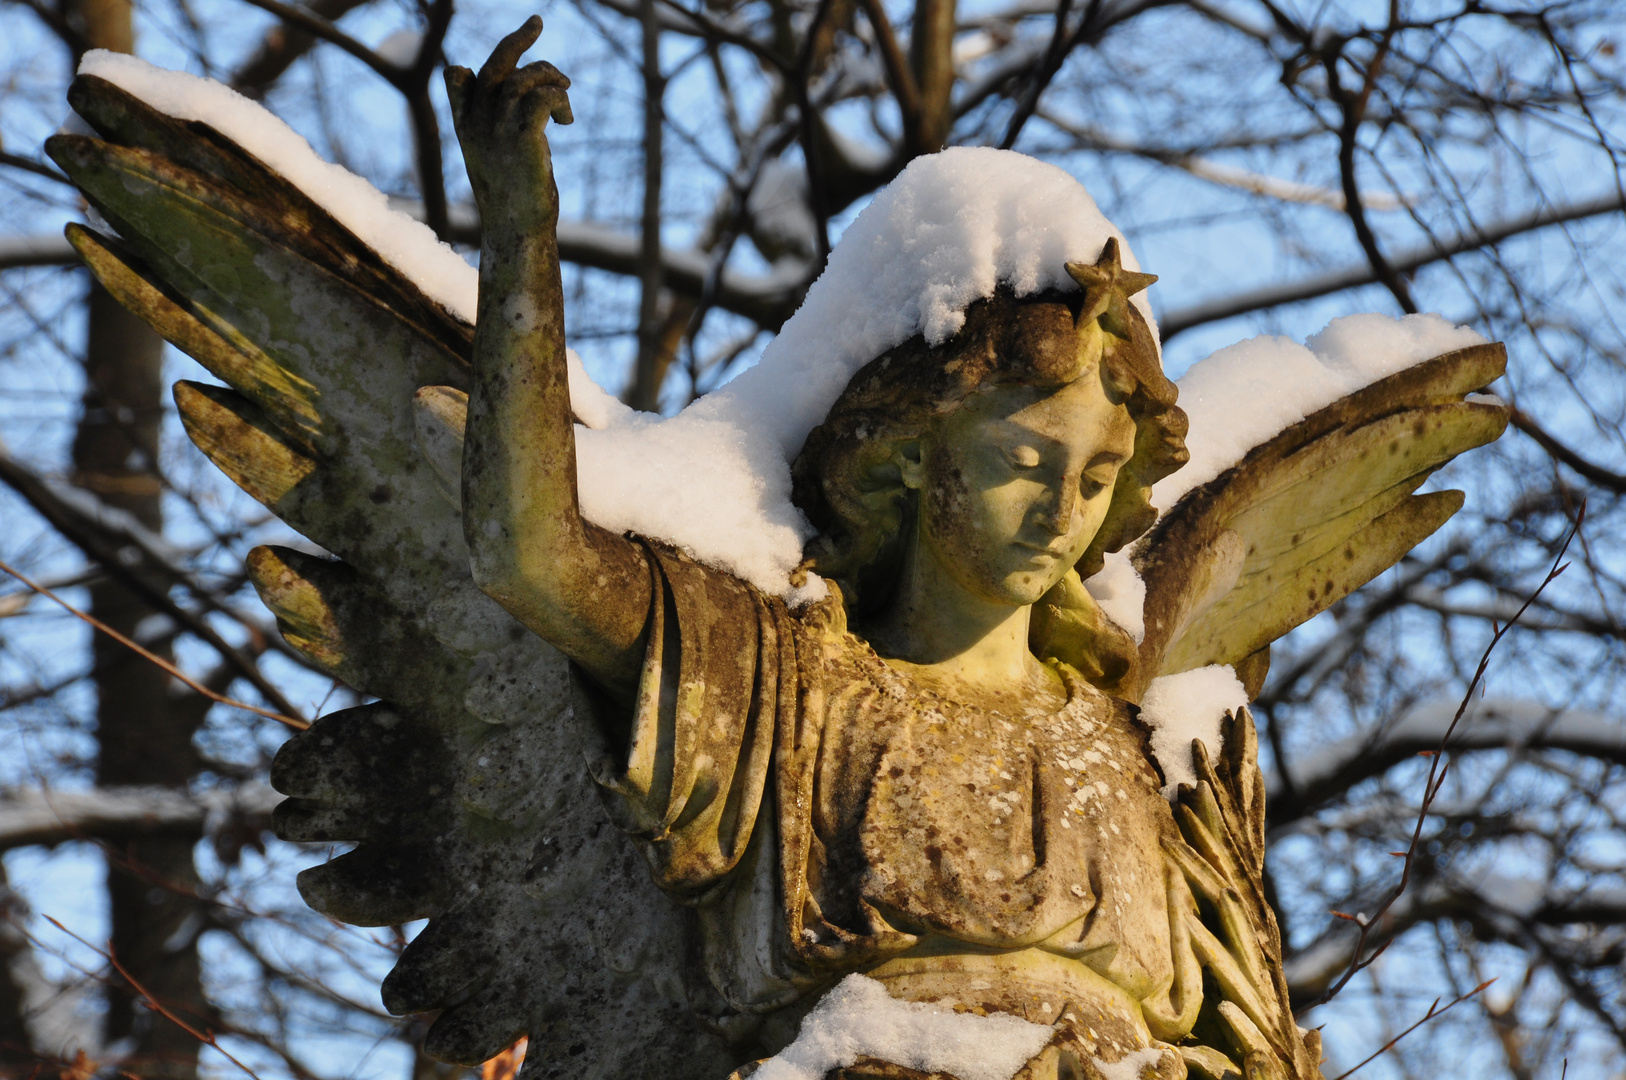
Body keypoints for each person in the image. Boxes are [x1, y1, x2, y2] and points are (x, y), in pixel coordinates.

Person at [447, 20, 1287, 1080]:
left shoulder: (1135, 756)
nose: (1061, 510)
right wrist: (521, 236)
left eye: (1093, 479)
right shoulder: (788, 696)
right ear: (905, 456)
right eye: (1024, 461)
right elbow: (534, 559)